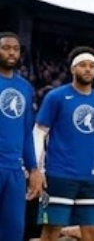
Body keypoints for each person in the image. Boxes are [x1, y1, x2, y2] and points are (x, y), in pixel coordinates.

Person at [37, 46, 94, 241]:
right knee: (51, 230)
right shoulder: (56, 96)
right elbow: (39, 133)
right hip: (58, 174)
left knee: (93, 232)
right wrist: (37, 169)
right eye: (83, 65)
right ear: (73, 69)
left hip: (90, 178)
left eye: (92, 66)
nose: (88, 69)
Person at [0, 31, 42, 241]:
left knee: (14, 231)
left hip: (15, 170)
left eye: (15, 49)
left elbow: (27, 132)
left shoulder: (25, 88)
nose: (11, 53)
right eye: (6, 48)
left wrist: (33, 168)